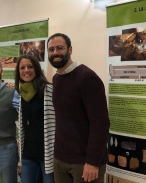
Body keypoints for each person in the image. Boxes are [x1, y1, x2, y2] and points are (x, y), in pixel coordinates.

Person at [47, 33, 110, 183]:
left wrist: (93, 161)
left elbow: (100, 124)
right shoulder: (57, 78)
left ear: (70, 49)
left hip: (84, 163)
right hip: (61, 159)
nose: (55, 52)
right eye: (51, 49)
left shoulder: (87, 78)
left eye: (60, 48)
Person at [14, 54, 55, 183]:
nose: (26, 70)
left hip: (47, 155)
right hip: (28, 154)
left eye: (30, 67)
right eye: (22, 67)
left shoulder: (49, 90)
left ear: (36, 69)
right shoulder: (22, 93)